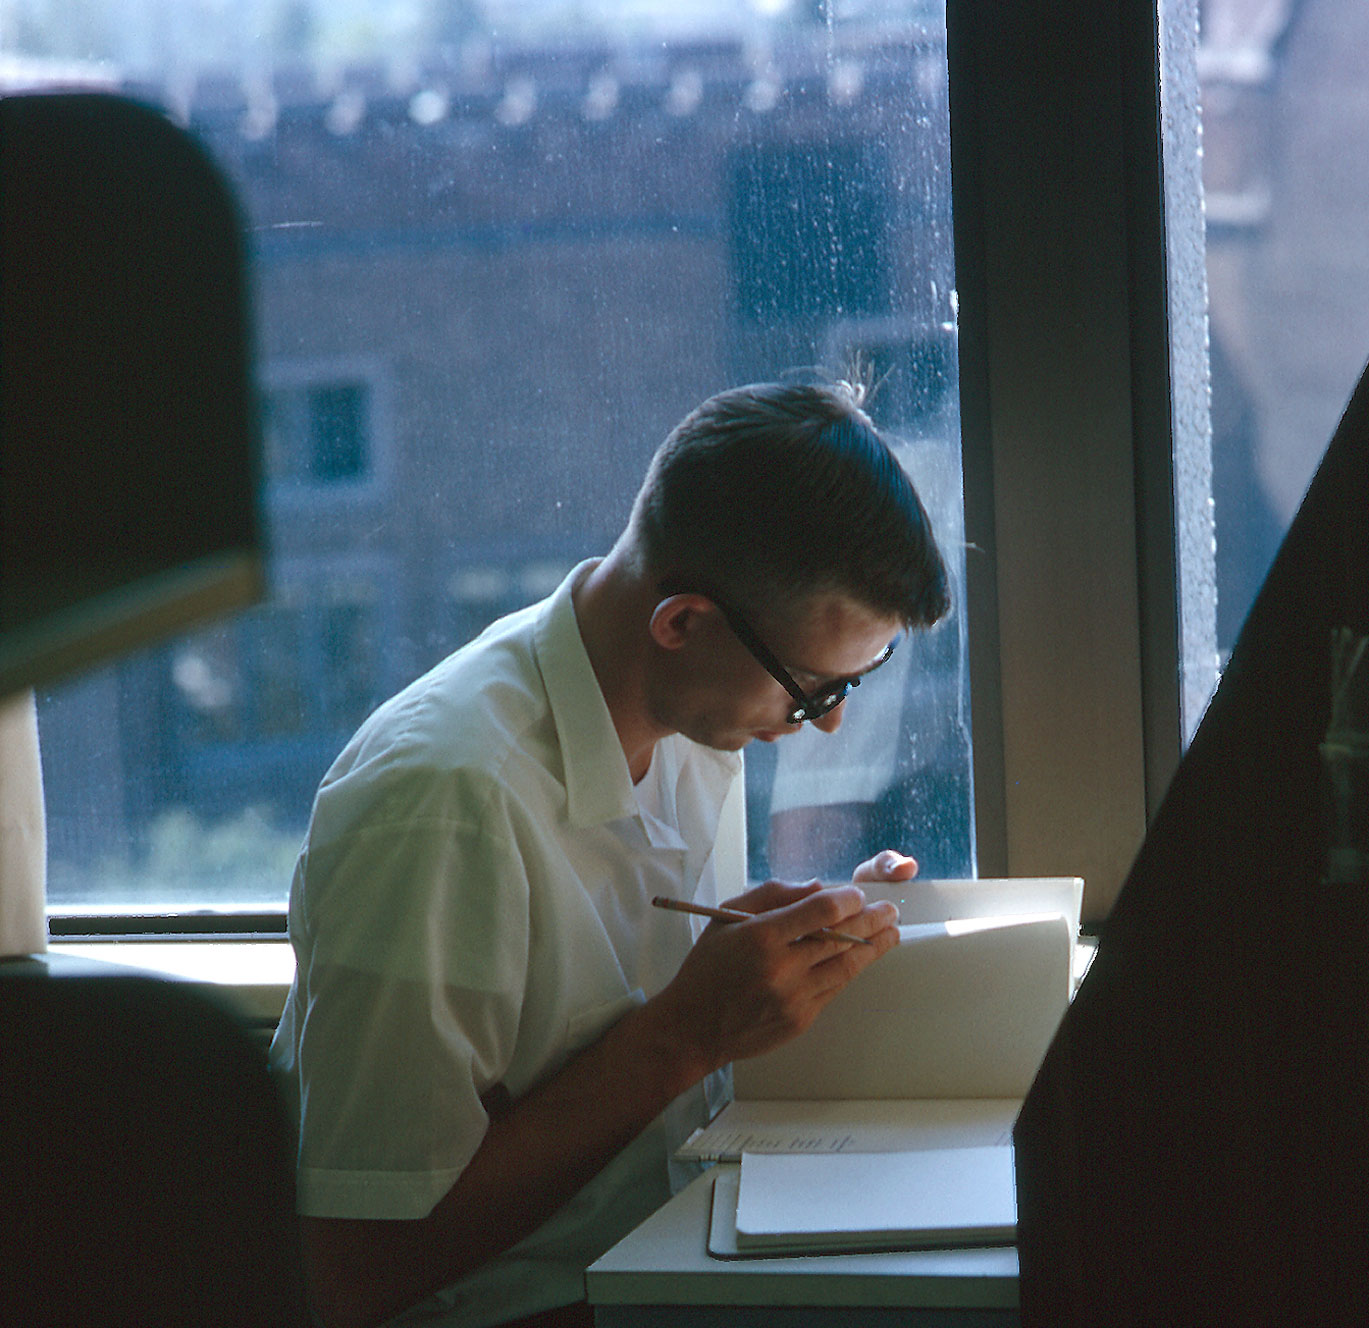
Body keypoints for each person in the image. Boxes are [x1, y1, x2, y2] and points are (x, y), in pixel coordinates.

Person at [268, 381, 952, 1328]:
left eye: (853, 685)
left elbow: (616, 998)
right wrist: (689, 1032)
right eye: (809, 690)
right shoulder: (442, 805)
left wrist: (798, 952)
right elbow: (352, 1269)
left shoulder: (691, 717)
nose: (828, 725)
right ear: (681, 622)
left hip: (666, 1260)